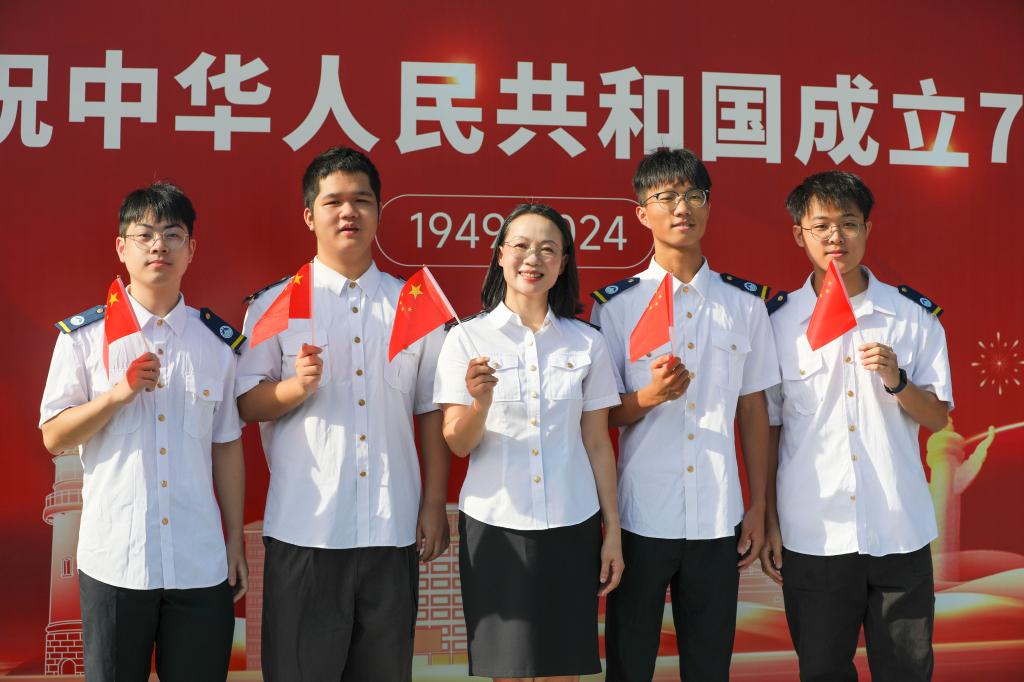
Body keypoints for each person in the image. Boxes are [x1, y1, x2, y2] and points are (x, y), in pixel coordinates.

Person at [235, 146, 450, 682]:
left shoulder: (412, 304)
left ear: (378, 211)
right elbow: (244, 403)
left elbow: (431, 410)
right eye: (333, 202)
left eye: (362, 200)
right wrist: (294, 389)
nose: (348, 212)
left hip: (391, 527)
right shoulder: (276, 303)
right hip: (306, 529)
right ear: (310, 215)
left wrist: (433, 503)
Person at [39, 182, 247, 682]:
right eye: (145, 234)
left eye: (173, 235)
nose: (159, 246)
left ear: (191, 249)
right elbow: (53, 435)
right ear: (121, 247)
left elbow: (226, 446)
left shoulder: (216, 345)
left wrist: (235, 539)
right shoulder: (84, 339)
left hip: (199, 563)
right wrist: (117, 395)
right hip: (116, 562)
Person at [590, 147, 779, 682]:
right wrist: (650, 397)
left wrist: (759, 505)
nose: (682, 208)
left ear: (709, 206)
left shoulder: (745, 304)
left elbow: (754, 408)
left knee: (709, 663)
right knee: (630, 662)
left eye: (694, 196)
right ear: (641, 213)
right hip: (642, 513)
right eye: (666, 197)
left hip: (719, 514)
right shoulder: (617, 306)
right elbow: (601, 415)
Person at [760, 170, 953, 681]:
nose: (835, 237)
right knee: (822, 670)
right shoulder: (776, 324)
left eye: (848, 224)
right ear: (798, 233)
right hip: (815, 534)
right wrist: (771, 521)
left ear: (867, 229)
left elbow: (938, 417)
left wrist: (897, 379)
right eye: (820, 225)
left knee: (906, 671)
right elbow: (770, 430)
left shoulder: (911, 316)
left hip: (899, 529)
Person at [433, 203, 624, 681]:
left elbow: (598, 443)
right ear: (500, 255)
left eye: (547, 249)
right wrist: (480, 403)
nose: (532, 258)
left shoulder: (586, 343)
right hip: (496, 525)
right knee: (510, 671)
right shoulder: (465, 339)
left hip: (573, 522)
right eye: (520, 246)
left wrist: (613, 531)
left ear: (563, 263)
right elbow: (458, 442)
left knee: (564, 669)